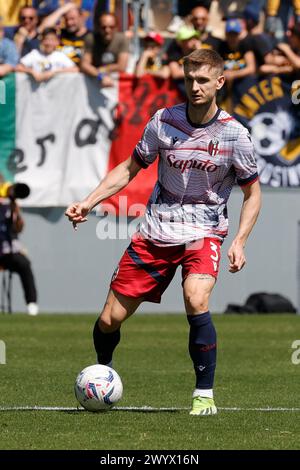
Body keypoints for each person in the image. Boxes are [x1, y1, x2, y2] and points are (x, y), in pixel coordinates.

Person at [65, 49, 261, 416]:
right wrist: (89, 202)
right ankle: (102, 374)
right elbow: (129, 168)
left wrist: (240, 240)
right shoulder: (163, 122)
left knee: (196, 297)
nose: (195, 86)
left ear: (220, 82)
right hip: (156, 230)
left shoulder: (236, 135)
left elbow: (253, 192)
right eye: (189, 79)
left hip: (204, 231)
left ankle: (204, 394)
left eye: (203, 80)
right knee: (109, 320)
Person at [0, 180, 38, 316]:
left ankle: (31, 304)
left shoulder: (11, 205)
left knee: (24, 263)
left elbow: (18, 228)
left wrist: (15, 210)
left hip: (7, 251)